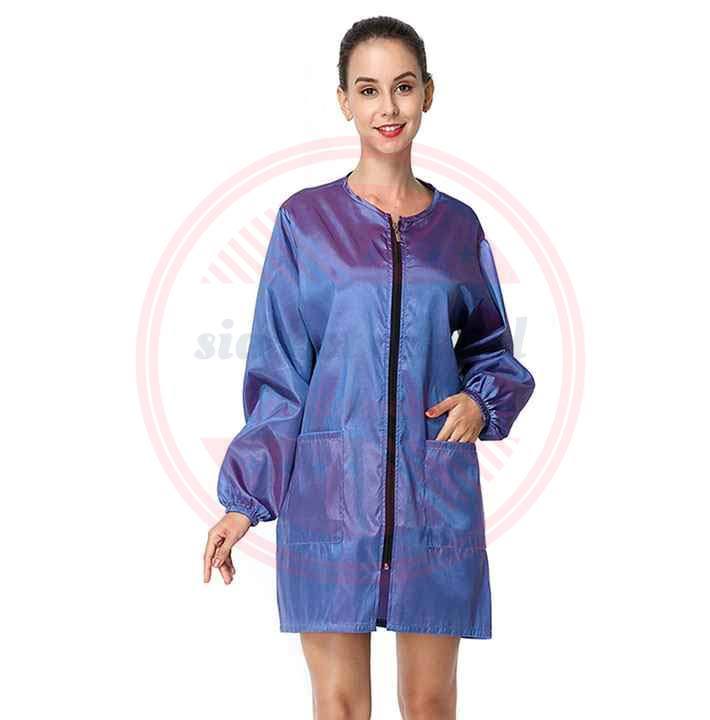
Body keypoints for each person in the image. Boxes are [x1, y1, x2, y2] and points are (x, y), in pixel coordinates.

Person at [203, 15, 535, 719]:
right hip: (328, 496)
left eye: (403, 87)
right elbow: (280, 375)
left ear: (428, 94)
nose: (388, 106)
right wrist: (244, 501)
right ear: (344, 101)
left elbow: (492, 347)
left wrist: (481, 401)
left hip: (433, 496)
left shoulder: (459, 228)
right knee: (341, 705)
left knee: (429, 703)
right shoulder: (305, 222)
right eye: (369, 89)